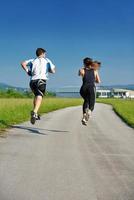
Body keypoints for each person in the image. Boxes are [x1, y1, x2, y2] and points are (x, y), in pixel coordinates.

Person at [21, 48, 56, 124]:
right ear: (43, 53)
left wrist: (28, 71)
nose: (45, 55)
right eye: (45, 54)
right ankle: (34, 112)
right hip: (41, 80)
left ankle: (35, 114)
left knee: (36, 95)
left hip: (32, 81)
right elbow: (53, 71)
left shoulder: (32, 60)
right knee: (40, 96)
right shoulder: (47, 60)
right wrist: (49, 70)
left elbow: (23, 63)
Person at [78, 57, 101, 125]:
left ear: (84, 63)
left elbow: (79, 74)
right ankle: (89, 112)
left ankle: (84, 116)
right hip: (91, 88)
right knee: (92, 103)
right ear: (91, 63)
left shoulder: (81, 70)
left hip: (83, 89)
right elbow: (98, 81)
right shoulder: (95, 71)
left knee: (86, 101)